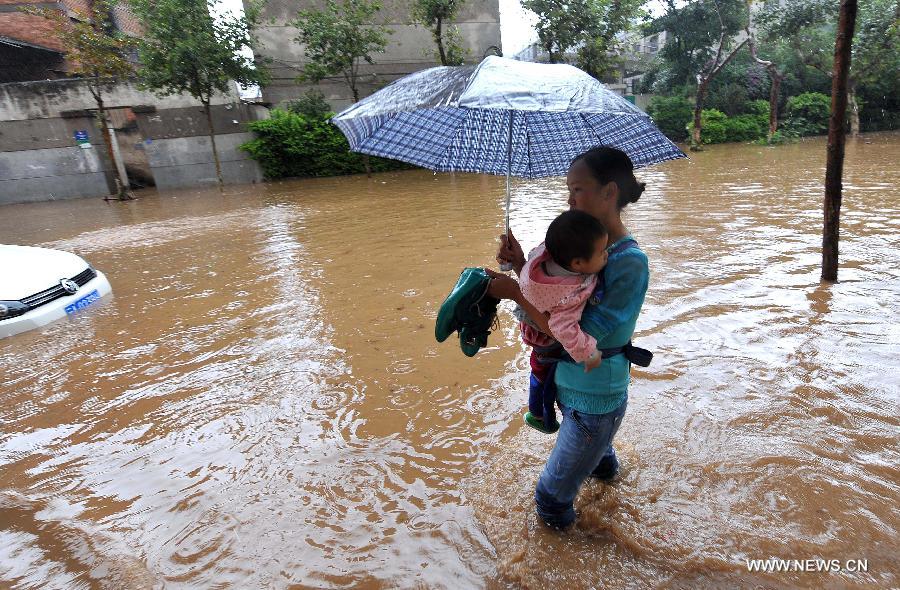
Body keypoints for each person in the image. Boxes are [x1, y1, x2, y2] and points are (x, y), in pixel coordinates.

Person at [486, 146, 650, 530]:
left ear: (610, 192)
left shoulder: (626, 263)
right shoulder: (583, 243)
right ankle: (610, 481)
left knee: (550, 497)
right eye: (568, 189)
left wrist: (514, 292)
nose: (569, 199)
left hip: (596, 394)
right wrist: (524, 265)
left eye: (577, 189)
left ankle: (566, 562)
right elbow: (559, 300)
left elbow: (578, 333)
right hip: (569, 382)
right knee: (600, 462)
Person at [517, 210, 609, 435]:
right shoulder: (570, 293)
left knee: (538, 366)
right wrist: (590, 353)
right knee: (541, 372)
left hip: (529, 321)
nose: (608, 255)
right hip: (543, 337)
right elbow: (563, 330)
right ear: (577, 263)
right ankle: (538, 415)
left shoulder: (544, 254)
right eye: (603, 252)